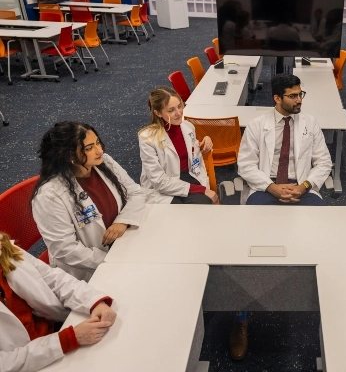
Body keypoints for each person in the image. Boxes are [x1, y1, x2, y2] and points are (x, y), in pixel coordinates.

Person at [31, 121, 145, 282]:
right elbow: (66, 250)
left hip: (124, 244)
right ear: (69, 155)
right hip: (90, 271)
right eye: (89, 148)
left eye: (97, 142)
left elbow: (135, 193)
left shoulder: (104, 162)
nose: (100, 150)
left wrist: (123, 221)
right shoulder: (49, 195)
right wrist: (112, 261)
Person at [0, 231, 116, 372]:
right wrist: (66, 340)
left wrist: (93, 301)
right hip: (30, 359)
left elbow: (54, 279)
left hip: (53, 333)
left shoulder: (5, 249)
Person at [237, 73, 332, 206]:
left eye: (300, 94)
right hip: (265, 187)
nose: (299, 100)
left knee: (318, 222)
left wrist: (304, 186)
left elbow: (324, 162)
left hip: (301, 187)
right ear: (277, 98)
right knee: (256, 222)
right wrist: (272, 187)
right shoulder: (256, 125)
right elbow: (246, 165)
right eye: (293, 96)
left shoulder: (310, 123)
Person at [138, 86, 217, 205]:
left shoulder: (188, 127)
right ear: (158, 113)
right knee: (177, 211)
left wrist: (205, 141)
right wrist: (201, 189)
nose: (179, 113)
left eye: (180, 106)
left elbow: (191, 149)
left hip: (187, 175)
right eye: (171, 110)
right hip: (163, 185)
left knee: (203, 204)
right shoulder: (147, 139)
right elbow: (159, 181)